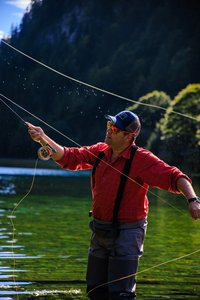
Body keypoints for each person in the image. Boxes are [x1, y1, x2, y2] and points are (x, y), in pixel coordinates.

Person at [27, 110, 200, 300]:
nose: (109, 130)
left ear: (128, 136)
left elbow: (176, 177)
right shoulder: (100, 151)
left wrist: (193, 200)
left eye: (115, 129)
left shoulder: (142, 159)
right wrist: (42, 138)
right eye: (109, 126)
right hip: (100, 230)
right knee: (95, 291)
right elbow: (68, 157)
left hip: (128, 232)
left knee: (121, 294)